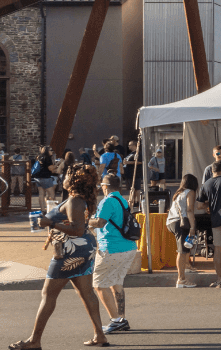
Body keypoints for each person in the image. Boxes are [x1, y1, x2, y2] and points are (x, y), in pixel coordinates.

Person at [10, 163, 108, 349]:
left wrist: (50, 223)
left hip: (70, 249)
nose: (62, 178)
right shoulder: (80, 199)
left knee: (48, 295)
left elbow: (77, 229)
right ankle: (100, 335)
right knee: (86, 293)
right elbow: (78, 226)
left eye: (66, 175)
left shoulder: (74, 201)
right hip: (83, 248)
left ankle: (34, 341)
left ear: (72, 180)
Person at [88, 174, 140, 335]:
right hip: (128, 247)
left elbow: (100, 222)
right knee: (116, 282)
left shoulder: (107, 201)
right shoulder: (122, 201)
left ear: (105, 186)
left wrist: (85, 220)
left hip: (111, 248)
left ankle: (116, 320)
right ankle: (121, 318)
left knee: (99, 285)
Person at [166, 174, 199, 288]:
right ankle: (181, 279)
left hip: (171, 222)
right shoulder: (190, 192)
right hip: (181, 223)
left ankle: (187, 267)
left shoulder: (178, 193)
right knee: (182, 250)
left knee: (185, 246)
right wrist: (192, 227)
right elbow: (189, 210)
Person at [31, 147, 58, 213]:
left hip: (38, 178)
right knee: (52, 194)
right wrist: (58, 164)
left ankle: (43, 210)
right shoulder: (47, 158)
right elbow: (51, 168)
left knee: (41, 194)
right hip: (46, 178)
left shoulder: (39, 157)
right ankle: (52, 210)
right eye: (51, 150)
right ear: (47, 151)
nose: (52, 151)